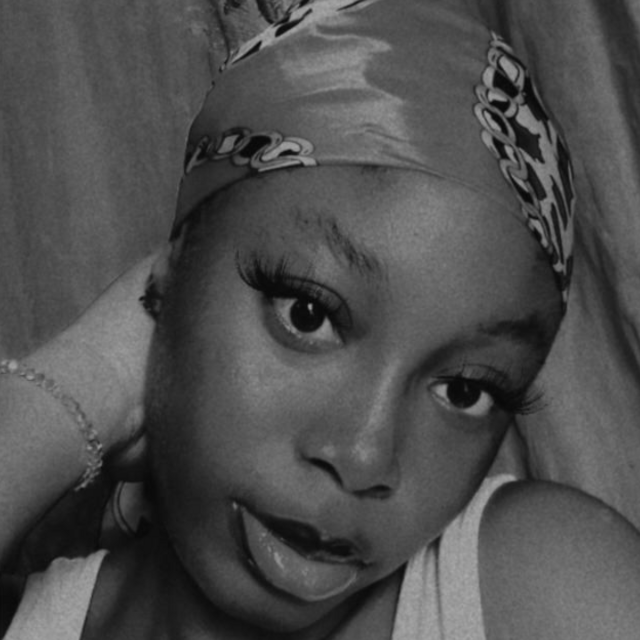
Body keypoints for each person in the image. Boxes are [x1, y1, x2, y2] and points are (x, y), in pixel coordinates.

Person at [2, 0, 640, 638]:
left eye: (465, 390)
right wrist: (91, 377)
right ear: (169, 271)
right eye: (307, 316)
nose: (364, 458)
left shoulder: (543, 588)